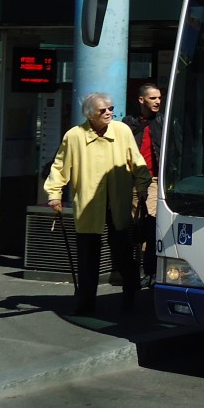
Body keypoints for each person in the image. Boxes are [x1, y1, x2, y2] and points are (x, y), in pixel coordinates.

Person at [44, 92, 151, 316]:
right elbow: (60, 165)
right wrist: (54, 193)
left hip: (117, 201)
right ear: (90, 114)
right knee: (87, 255)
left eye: (110, 108)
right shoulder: (74, 136)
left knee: (122, 252)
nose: (109, 113)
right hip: (89, 203)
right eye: (103, 110)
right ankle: (86, 301)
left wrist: (142, 184)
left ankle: (130, 292)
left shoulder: (121, 131)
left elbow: (136, 159)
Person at [123, 82, 163, 287]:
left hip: (155, 180)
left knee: (152, 225)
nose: (157, 101)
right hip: (133, 180)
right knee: (136, 225)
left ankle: (150, 270)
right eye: (153, 98)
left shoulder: (163, 122)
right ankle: (137, 269)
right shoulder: (128, 124)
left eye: (159, 97)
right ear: (141, 100)